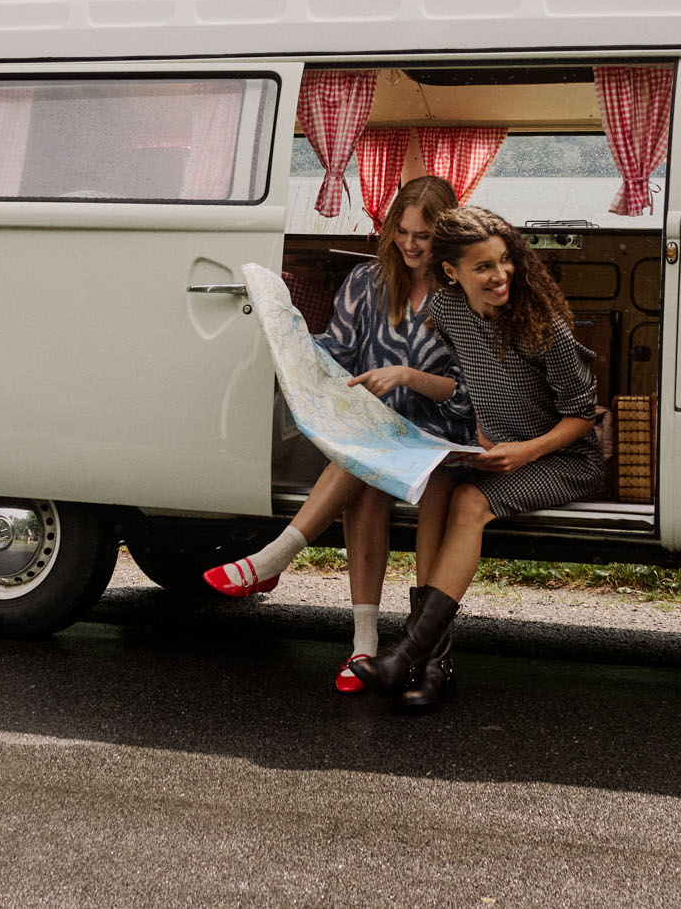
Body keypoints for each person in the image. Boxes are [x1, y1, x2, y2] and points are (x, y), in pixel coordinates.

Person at [204, 175, 472, 692]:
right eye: (403, 231)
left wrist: (409, 377)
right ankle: (363, 645)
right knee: (366, 470)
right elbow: (340, 357)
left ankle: (277, 557)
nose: (411, 245)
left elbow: (469, 393)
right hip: (371, 432)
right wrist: (291, 335)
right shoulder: (367, 282)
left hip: (436, 435)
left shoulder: (461, 294)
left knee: (367, 456)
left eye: (424, 236)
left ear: (446, 236)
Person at [351, 204, 602, 711]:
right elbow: (473, 380)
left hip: (564, 458)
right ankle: (434, 668)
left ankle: (407, 657)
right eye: (483, 267)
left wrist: (523, 451)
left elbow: (584, 415)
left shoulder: (543, 325)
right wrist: (482, 441)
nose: (500, 275)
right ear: (452, 272)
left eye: (505, 261)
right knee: (439, 483)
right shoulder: (445, 311)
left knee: (469, 502)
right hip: (502, 452)